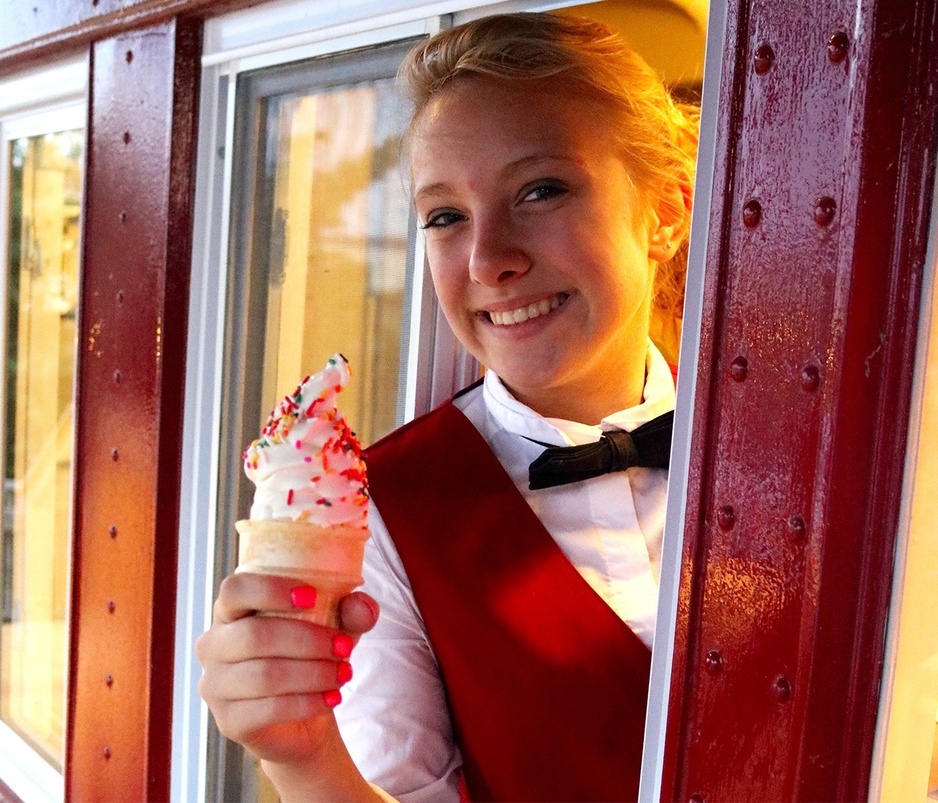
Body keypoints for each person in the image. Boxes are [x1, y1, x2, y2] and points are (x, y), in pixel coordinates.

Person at [196, 11, 696, 802]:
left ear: (666, 211)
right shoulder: (390, 506)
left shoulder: (796, 448)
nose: (490, 258)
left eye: (541, 189)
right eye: (446, 217)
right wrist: (302, 756)